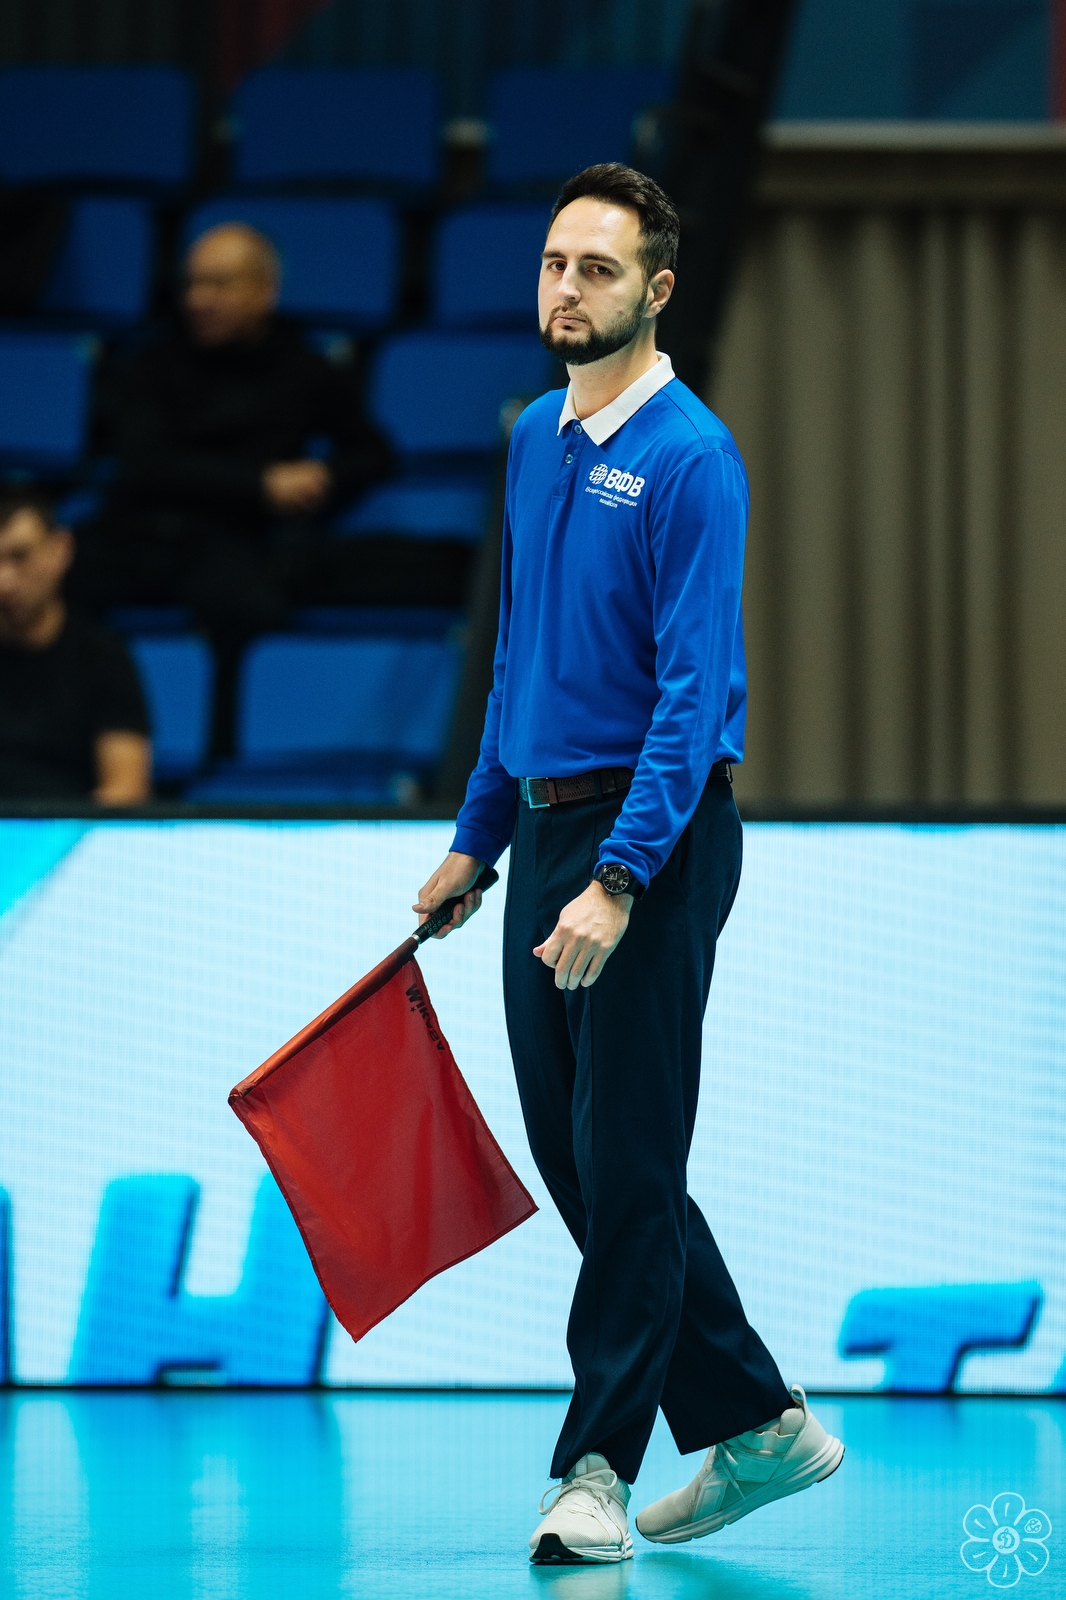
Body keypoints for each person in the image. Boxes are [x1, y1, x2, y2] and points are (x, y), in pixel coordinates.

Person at [414, 165, 844, 1564]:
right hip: (543, 829)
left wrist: (619, 878)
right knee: (584, 1162)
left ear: (656, 290)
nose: (566, 288)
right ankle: (760, 1422)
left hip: (647, 840)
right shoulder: (533, 438)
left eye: (596, 269)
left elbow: (691, 693)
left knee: (628, 1155)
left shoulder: (691, 457)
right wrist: (478, 835)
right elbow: (519, 654)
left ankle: (592, 1465)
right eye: (554, 263)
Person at [77, 222, 393, 749]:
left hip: (230, 541)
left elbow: (374, 454)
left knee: (254, 607)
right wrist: (260, 483)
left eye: (218, 284)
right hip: (137, 531)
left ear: (264, 291)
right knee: (49, 588)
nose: (198, 299)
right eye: (192, 283)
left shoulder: (304, 367)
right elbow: (143, 465)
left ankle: (222, 758)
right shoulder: (149, 362)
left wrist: (322, 479)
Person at [0, 493, 150, 804]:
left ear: (61, 549)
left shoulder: (104, 659)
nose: (4, 582)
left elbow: (126, 790)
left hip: (72, 828)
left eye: (20, 556)